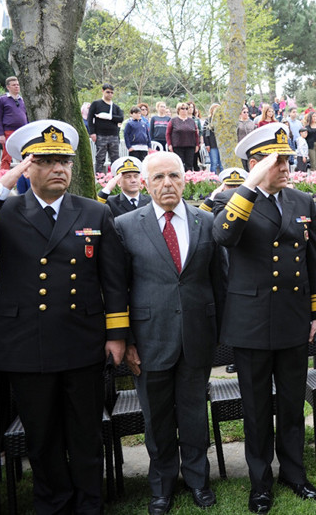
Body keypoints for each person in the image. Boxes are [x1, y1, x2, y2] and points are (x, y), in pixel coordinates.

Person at [0, 120, 129, 513]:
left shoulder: (94, 213)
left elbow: (113, 281)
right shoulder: (6, 210)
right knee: (42, 435)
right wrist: (1, 184)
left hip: (81, 340)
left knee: (85, 431)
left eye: (64, 161)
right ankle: (53, 502)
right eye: (45, 161)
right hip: (26, 344)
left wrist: (116, 335)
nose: (59, 169)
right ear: (28, 167)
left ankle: (89, 503)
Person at [212, 123, 316, 512]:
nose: (286, 167)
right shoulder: (232, 198)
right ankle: (260, 483)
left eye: (288, 160)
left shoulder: (300, 201)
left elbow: (315, 263)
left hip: (294, 319)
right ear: (255, 164)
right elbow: (224, 235)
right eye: (278, 162)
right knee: (257, 410)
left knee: (293, 405)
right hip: (252, 322)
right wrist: (250, 185)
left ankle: (294, 473)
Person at [115, 151, 225, 514]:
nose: (167, 184)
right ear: (146, 183)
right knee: (157, 419)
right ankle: (161, 485)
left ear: (184, 179)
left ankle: (198, 481)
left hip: (196, 336)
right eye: (159, 177)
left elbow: (218, 282)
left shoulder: (204, 221)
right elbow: (119, 287)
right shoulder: (127, 224)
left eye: (174, 176)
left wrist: (220, 332)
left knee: (194, 415)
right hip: (149, 340)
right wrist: (128, 339)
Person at [87, 83, 124, 174]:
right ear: (103, 91)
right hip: (100, 135)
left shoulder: (115, 107)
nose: (110, 94)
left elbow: (121, 118)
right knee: (100, 158)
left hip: (114, 136)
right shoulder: (96, 104)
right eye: (108, 92)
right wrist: (92, 133)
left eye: (112, 93)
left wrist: (109, 117)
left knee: (115, 158)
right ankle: (99, 178)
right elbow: (90, 118)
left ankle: (116, 178)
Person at [0, 76, 29, 170]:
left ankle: (26, 177)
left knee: (24, 156)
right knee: (6, 157)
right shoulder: (2, 100)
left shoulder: (23, 100)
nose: (17, 87)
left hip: (22, 131)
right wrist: (1, 134)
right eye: (14, 85)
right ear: (8, 87)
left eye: (18, 85)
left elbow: (27, 116)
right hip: (8, 131)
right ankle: (4, 177)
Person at [166, 102, 200, 172]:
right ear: (178, 110)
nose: (184, 110)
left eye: (186, 108)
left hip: (190, 146)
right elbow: (168, 134)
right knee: (179, 165)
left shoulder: (192, 121)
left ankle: (188, 180)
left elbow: (196, 134)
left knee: (189, 165)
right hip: (177, 146)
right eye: (182, 108)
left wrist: (197, 145)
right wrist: (170, 144)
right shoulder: (173, 121)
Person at [203, 103, 223, 174]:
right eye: (215, 108)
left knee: (222, 164)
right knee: (214, 163)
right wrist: (207, 144)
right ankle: (213, 180)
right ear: (211, 110)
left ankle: (222, 179)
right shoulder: (208, 120)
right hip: (212, 144)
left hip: (222, 145)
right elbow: (205, 133)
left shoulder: (223, 120)